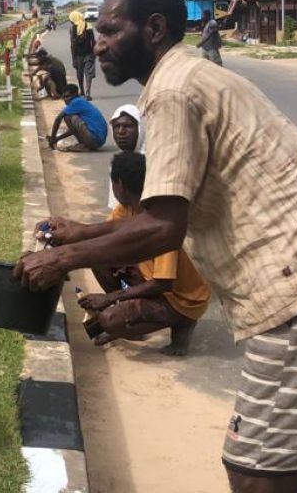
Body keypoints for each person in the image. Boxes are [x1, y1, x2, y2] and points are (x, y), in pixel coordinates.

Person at [15, 0, 297, 491]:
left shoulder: (172, 93)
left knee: (253, 467)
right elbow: (165, 213)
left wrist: (61, 258)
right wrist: (82, 234)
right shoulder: (188, 76)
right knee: (269, 461)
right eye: (95, 32)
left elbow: (162, 227)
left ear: (155, 28)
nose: (97, 43)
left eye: (109, 30)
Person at [81, 152, 210, 356]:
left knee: (108, 320)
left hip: (180, 296)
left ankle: (183, 321)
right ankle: (129, 320)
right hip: (151, 280)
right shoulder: (125, 210)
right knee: (98, 259)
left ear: (119, 185)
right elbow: (100, 242)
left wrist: (109, 298)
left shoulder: (161, 221)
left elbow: (163, 283)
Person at [48, 83, 107, 152]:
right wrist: (57, 138)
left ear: (75, 95)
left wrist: (52, 137)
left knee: (67, 117)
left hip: (95, 139)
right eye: (64, 97)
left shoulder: (76, 102)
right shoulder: (81, 101)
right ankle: (85, 144)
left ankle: (85, 145)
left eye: (67, 96)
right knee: (69, 117)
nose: (65, 99)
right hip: (98, 141)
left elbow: (58, 119)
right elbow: (73, 130)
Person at [106, 104, 143, 208]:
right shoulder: (118, 162)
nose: (121, 132)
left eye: (127, 126)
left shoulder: (150, 159)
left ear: (140, 128)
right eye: (116, 126)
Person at [71, 15, 96, 99]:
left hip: (78, 55)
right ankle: (88, 92)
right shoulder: (89, 26)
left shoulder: (73, 28)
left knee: (80, 73)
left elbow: (73, 44)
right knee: (88, 73)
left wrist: (73, 58)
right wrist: (93, 52)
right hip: (89, 53)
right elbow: (93, 41)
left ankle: (82, 91)